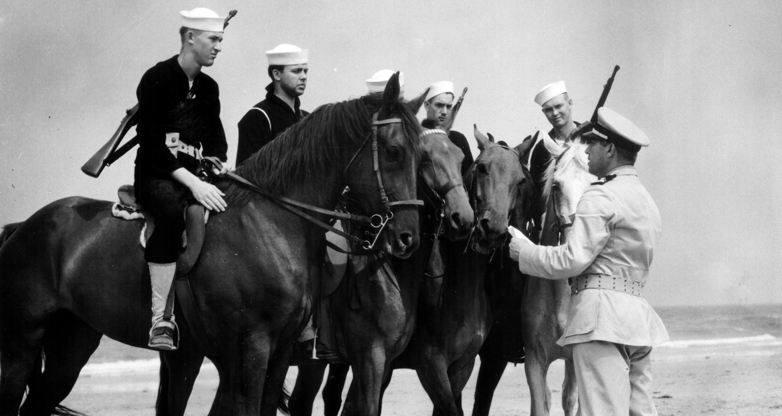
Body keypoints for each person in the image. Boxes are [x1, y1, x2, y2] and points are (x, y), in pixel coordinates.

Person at [508, 107, 669, 415]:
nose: (587, 151)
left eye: (592, 144)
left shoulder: (600, 196)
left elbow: (572, 258)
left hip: (600, 320)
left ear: (609, 149)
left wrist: (525, 252)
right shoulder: (646, 201)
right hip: (637, 320)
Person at [134, 7, 232, 350]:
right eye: (213, 39)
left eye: (221, 39)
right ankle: (161, 321)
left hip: (196, 174)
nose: (219, 46)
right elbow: (152, 147)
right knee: (172, 213)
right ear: (190, 37)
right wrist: (193, 183)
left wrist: (215, 162)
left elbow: (216, 140)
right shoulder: (156, 78)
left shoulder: (209, 87)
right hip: (157, 175)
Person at [235, 44, 309, 164]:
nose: (304, 77)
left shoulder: (308, 118)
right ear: (277, 74)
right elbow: (245, 174)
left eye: (305, 71)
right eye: (296, 71)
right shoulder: (258, 117)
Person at [422, 80, 473, 176]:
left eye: (449, 106)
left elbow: (468, 179)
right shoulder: (416, 137)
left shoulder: (458, 139)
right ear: (427, 106)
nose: (445, 111)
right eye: (439, 105)